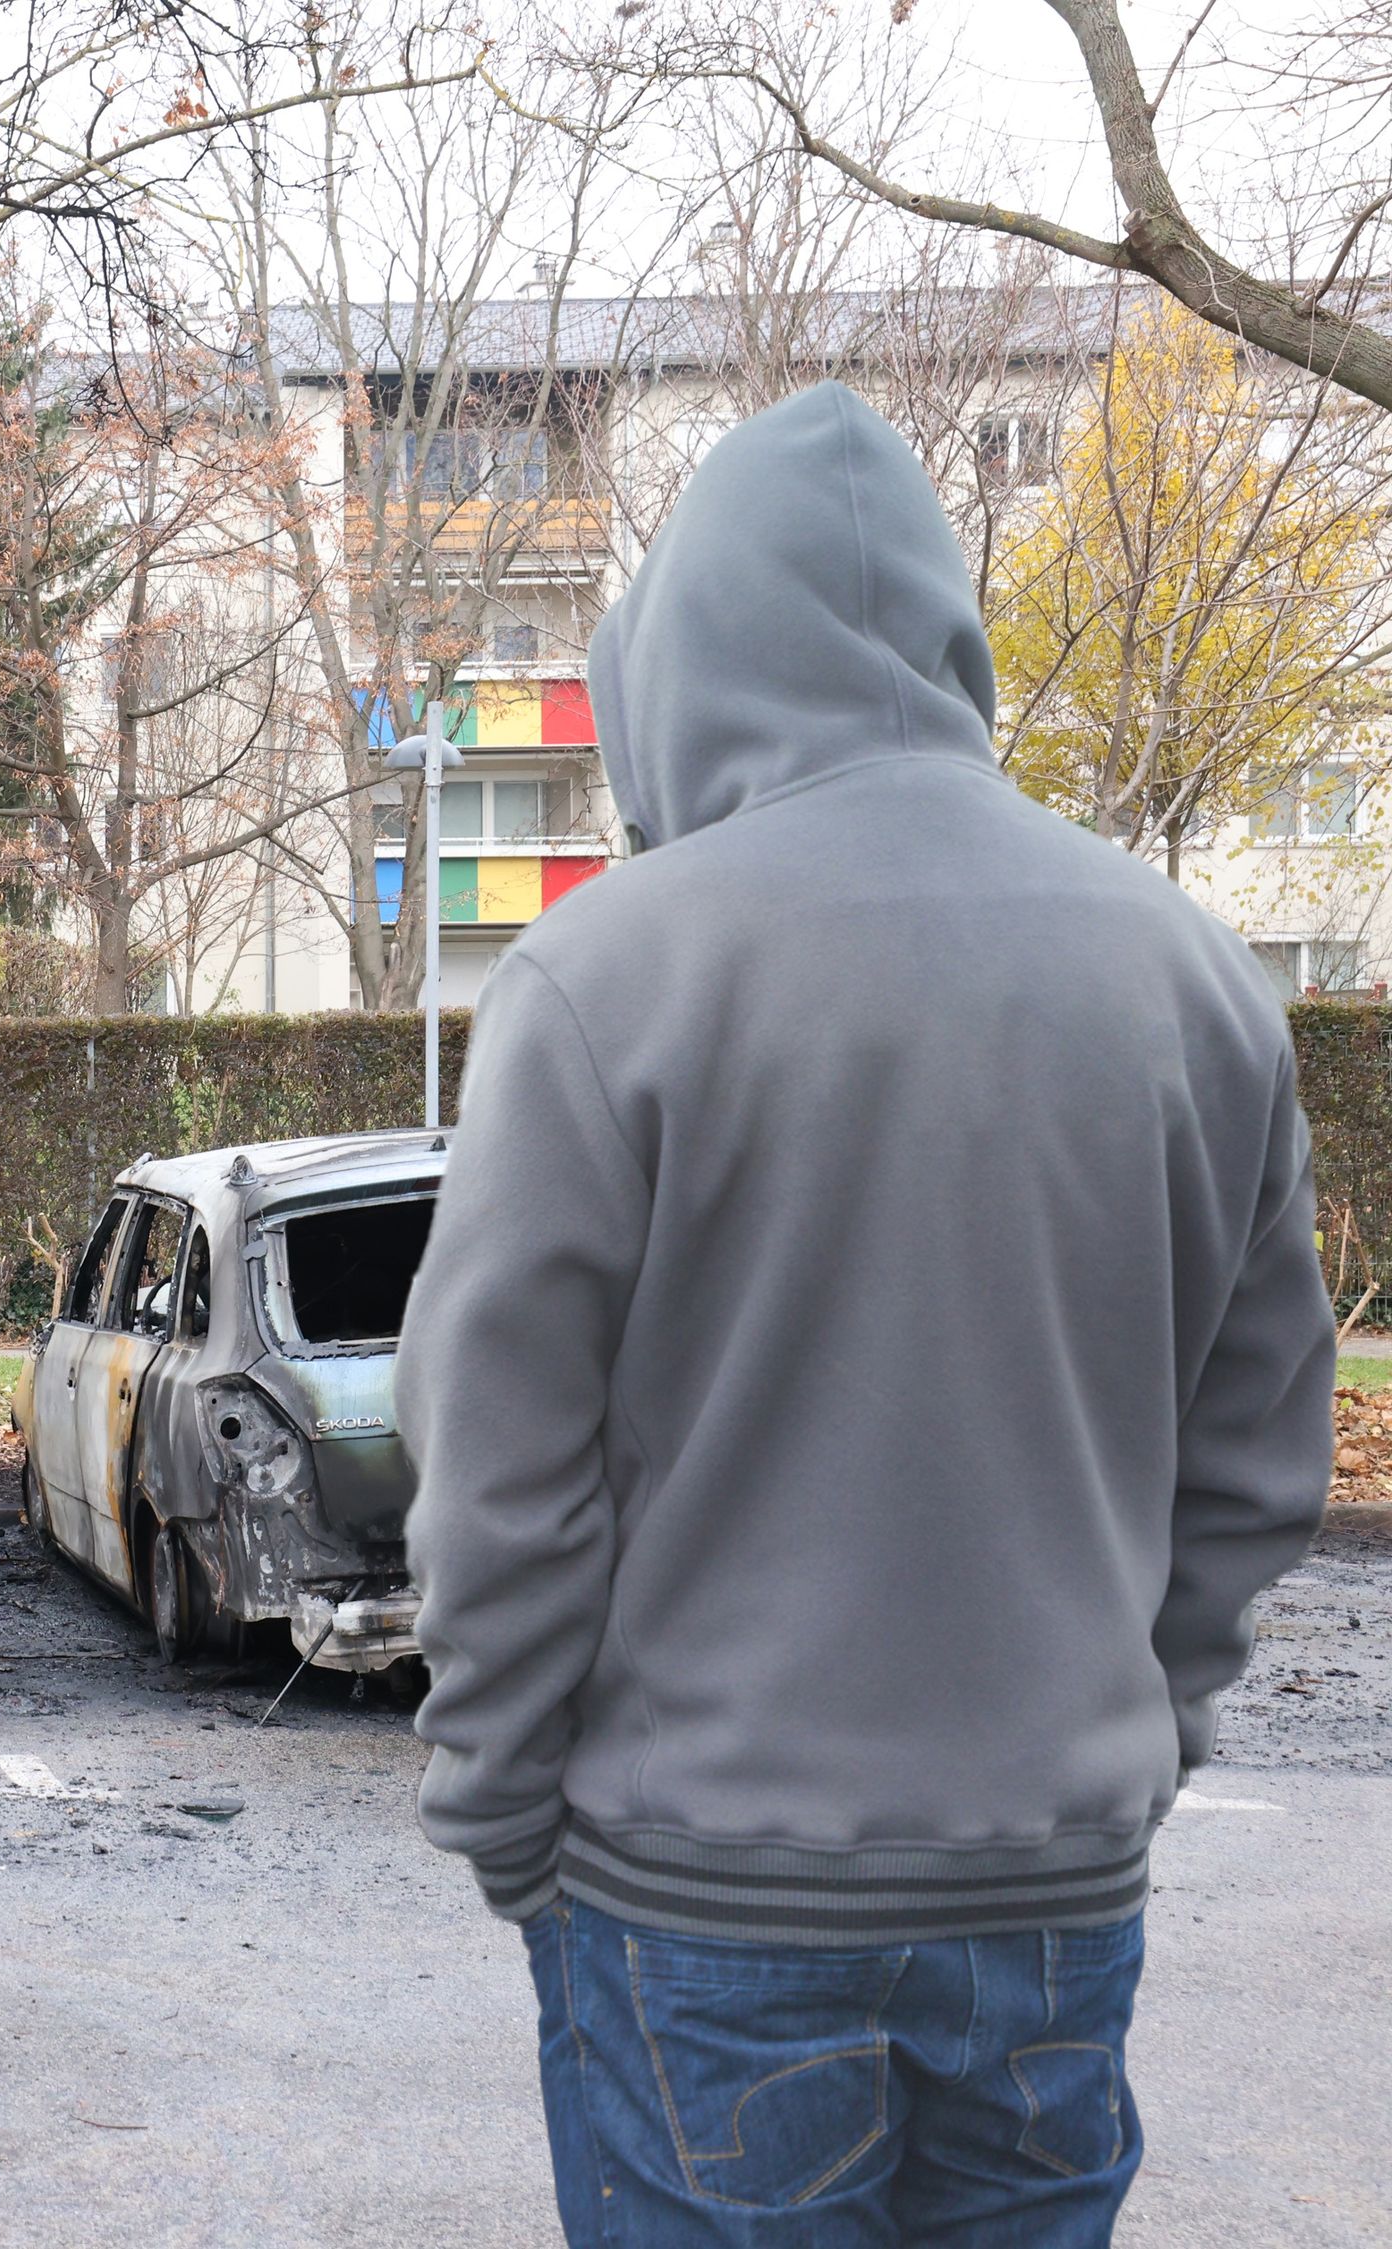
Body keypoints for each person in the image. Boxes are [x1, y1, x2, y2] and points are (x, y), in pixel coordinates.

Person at [399, 382, 1332, 2246]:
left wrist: (505, 1816)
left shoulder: (604, 982)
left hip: (698, 1896)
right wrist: (1138, 1728)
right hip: (1053, 1894)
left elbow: (499, 1476)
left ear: (674, 670)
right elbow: (1256, 1449)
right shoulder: (1194, 979)